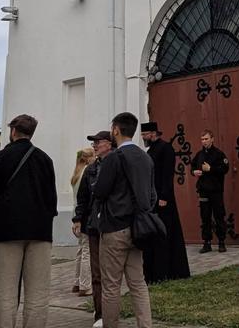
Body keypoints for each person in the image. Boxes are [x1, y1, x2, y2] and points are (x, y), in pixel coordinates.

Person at [0, 114, 58, 328]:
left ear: (13, 131)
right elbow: (52, 199)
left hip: (5, 232)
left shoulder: (1, 157)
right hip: (40, 233)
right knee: (38, 296)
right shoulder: (45, 159)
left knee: (4, 295)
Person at [90, 113, 155, 328]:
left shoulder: (113, 158)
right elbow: (152, 195)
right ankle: (145, 325)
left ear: (116, 130)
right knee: (138, 283)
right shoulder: (146, 157)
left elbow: (100, 191)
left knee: (111, 285)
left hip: (114, 228)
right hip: (139, 229)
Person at [140, 122, 189, 282]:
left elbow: (167, 175)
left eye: (145, 135)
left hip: (163, 199)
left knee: (167, 232)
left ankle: (172, 270)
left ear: (153, 133)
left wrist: (164, 197)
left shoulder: (166, 148)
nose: (143, 138)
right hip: (153, 198)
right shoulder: (151, 150)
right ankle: (157, 270)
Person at [72, 131, 112, 328]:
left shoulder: (116, 165)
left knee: (111, 274)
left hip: (114, 226)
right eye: (94, 143)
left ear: (110, 144)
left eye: (99, 142)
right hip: (94, 227)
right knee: (96, 274)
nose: (95, 145)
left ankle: (112, 312)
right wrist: (78, 219)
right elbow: (83, 197)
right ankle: (100, 314)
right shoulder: (90, 170)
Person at [190, 129, 229, 253]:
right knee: (205, 217)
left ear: (212, 139)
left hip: (216, 191)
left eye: (206, 139)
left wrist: (210, 168)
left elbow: (224, 169)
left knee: (219, 216)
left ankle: (221, 242)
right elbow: (193, 166)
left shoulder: (219, 154)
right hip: (203, 190)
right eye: (202, 139)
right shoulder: (199, 155)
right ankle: (207, 242)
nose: (204, 141)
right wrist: (193, 172)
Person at [70, 147, 95, 296]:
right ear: (88, 158)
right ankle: (85, 285)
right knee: (87, 250)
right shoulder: (87, 172)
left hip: (76, 213)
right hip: (85, 214)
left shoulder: (76, 173)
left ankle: (77, 281)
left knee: (81, 249)